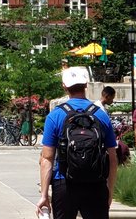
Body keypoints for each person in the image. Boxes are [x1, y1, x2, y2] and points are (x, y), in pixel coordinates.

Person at [36, 67, 118, 219]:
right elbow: (112, 158)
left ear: (64, 86)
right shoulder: (101, 115)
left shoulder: (55, 116)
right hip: (96, 184)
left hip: (64, 183)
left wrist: (44, 195)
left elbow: (47, 158)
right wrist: (109, 191)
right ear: (86, 85)